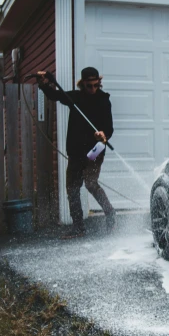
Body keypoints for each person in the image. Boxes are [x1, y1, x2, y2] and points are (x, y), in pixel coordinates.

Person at [36, 67, 116, 238]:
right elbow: (54, 95)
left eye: (96, 85)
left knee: (90, 183)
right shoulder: (75, 98)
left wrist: (103, 135)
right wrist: (43, 84)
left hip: (96, 149)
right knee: (72, 188)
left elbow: (109, 128)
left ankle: (110, 213)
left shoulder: (103, 100)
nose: (93, 89)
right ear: (83, 84)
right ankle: (78, 227)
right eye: (89, 86)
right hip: (76, 150)